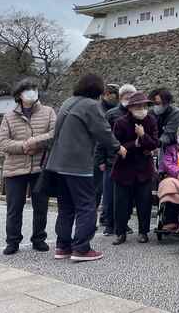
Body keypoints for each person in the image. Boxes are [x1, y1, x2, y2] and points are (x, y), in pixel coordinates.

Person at [46, 73, 126, 262]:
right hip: (77, 164)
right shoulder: (90, 105)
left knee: (65, 207)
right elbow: (103, 130)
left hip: (58, 163)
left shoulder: (68, 102)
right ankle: (81, 248)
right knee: (87, 206)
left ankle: (62, 246)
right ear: (98, 90)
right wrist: (118, 147)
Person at [0, 78, 56, 256]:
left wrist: (35, 142)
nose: (32, 92)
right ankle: (12, 241)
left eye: (34, 89)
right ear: (19, 95)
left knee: (41, 206)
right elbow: (2, 142)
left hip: (40, 167)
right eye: (28, 90)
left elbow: (55, 133)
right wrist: (23, 146)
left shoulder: (48, 112)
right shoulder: (9, 116)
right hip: (15, 169)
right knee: (14, 207)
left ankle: (39, 238)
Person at [111, 92, 159, 245]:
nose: (142, 109)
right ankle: (120, 232)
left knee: (144, 203)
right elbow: (115, 145)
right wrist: (136, 144)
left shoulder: (151, 120)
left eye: (145, 106)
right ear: (130, 107)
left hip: (144, 169)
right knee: (121, 204)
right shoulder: (120, 122)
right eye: (139, 106)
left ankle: (143, 232)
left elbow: (154, 143)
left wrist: (143, 136)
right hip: (123, 169)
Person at [100, 83, 136, 235]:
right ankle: (109, 224)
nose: (129, 100)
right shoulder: (111, 114)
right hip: (112, 160)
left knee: (127, 196)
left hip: (130, 160)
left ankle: (123, 222)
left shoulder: (137, 114)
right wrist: (100, 160)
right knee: (109, 194)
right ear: (121, 98)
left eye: (131, 97)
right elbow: (103, 137)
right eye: (126, 97)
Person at [94, 84, 118, 224]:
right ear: (106, 94)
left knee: (107, 190)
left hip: (110, 154)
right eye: (111, 94)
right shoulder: (98, 109)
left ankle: (105, 216)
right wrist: (100, 159)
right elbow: (100, 134)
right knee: (96, 189)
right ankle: (92, 218)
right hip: (99, 153)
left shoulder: (114, 109)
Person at [150, 87, 179, 151]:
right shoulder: (151, 113)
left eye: (158, 103)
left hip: (176, 147)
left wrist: (155, 144)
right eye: (155, 103)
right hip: (159, 145)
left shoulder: (176, 113)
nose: (156, 106)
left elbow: (169, 135)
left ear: (167, 102)